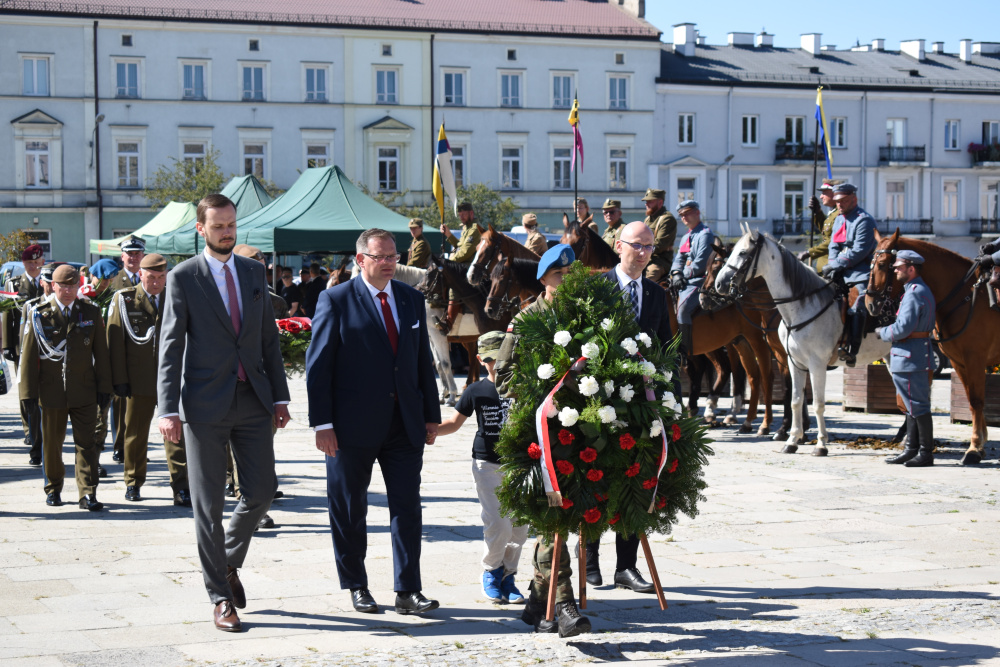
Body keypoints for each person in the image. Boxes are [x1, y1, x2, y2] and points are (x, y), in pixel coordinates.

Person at [157, 193, 291, 632]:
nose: (226, 232)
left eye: (231, 224)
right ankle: (220, 598)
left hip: (253, 399)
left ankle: (226, 561)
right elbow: (171, 346)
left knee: (262, 491)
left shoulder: (253, 270)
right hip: (204, 405)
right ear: (201, 229)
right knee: (208, 505)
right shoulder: (183, 277)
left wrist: (280, 396)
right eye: (217, 226)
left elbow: (267, 338)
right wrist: (167, 408)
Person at [306, 228, 442, 616]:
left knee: (408, 507)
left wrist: (430, 415)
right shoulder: (335, 299)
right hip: (350, 428)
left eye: (393, 256)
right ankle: (357, 584)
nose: (388, 263)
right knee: (350, 507)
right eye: (380, 257)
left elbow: (421, 364)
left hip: (404, 424)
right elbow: (318, 368)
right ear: (361, 259)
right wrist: (323, 424)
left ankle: (408, 589)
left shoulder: (411, 299)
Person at [495, 244, 591, 638]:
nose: (564, 282)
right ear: (543, 280)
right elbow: (502, 376)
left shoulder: (586, 319)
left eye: (570, 276)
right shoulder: (525, 319)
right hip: (538, 434)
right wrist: (544, 387)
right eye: (558, 276)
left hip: (581, 430)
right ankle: (564, 605)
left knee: (565, 516)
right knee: (551, 516)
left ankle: (538, 601)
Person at [581, 221, 676, 593]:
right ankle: (589, 560)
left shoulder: (655, 293)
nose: (644, 253)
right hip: (598, 400)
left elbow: (667, 346)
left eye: (650, 247)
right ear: (619, 246)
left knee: (636, 480)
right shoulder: (597, 287)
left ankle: (626, 565)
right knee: (592, 476)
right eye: (638, 245)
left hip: (642, 404)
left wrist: (668, 389)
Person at [436, 330, 528, 605]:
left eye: (503, 359)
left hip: (521, 464)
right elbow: (453, 424)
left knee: (519, 527)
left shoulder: (525, 388)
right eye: (491, 360)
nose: (498, 365)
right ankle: (491, 571)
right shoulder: (476, 390)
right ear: (480, 359)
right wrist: (427, 431)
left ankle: (508, 577)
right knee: (498, 524)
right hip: (487, 464)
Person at [19, 264, 112, 511]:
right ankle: (53, 488)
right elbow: (28, 356)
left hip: (84, 390)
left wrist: (105, 387)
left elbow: (101, 353)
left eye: (73, 286)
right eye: (63, 286)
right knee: (52, 444)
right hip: (51, 392)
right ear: (54, 286)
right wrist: (27, 394)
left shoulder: (90, 313)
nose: (69, 291)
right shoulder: (39, 313)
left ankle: (88, 493)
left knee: (87, 444)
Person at [106, 253, 190, 505]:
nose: (156, 282)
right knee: (134, 435)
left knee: (176, 435)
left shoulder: (176, 297)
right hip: (137, 382)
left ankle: (181, 486)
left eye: (161, 277)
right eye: (151, 277)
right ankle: (133, 482)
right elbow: (115, 343)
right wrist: (119, 380)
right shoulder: (125, 300)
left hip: (171, 382)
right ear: (140, 274)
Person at [876, 250, 937, 467]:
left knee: (918, 406)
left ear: (911, 269)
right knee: (912, 405)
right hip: (914, 354)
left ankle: (925, 453)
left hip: (910, 355)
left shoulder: (914, 293)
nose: (894, 269)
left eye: (899, 267)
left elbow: (903, 328)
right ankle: (911, 450)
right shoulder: (917, 290)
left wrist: (881, 332)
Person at [821, 183, 877, 367]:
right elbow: (833, 246)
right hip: (838, 272)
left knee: (858, 306)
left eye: (843, 201)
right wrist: (831, 264)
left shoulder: (864, 220)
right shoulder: (839, 219)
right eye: (837, 202)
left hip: (859, 274)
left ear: (854, 199)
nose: (839, 205)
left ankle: (853, 349)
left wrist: (836, 264)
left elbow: (859, 251)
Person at [18, 262, 61, 466]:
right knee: (35, 412)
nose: (51, 286)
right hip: (38, 366)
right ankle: (37, 449)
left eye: (55, 281)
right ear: (42, 282)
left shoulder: (69, 304)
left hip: (61, 367)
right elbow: (24, 340)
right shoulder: (32, 306)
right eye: (48, 281)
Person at [4, 243, 45, 454]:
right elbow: (8, 315)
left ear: (43, 263)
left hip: (47, 345)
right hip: (22, 345)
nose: (35, 268)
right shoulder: (14, 285)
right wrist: (7, 345)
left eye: (38, 264)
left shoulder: (48, 283)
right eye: (31, 264)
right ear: (24, 264)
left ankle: (42, 427)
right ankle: (29, 430)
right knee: (25, 389)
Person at [669, 201, 716, 356]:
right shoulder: (686, 236)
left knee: (682, 309)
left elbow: (701, 263)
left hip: (699, 281)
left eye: (687, 213)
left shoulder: (706, 234)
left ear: (697, 213)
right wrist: (675, 273)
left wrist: (683, 275)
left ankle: (684, 351)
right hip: (683, 280)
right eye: (681, 215)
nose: (684, 217)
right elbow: (679, 259)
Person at [436, 201, 481, 333]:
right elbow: (459, 246)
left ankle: (449, 322)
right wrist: (449, 235)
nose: (461, 217)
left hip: (470, 267)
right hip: (462, 264)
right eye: (460, 215)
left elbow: (465, 253)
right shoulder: (466, 228)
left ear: (471, 213)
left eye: (464, 214)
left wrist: (447, 262)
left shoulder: (475, 229)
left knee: (454, 285)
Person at [797, 179, 843, 271]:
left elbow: (833, 241)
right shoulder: (833, 212)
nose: (821, 196)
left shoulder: (840, 214)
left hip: (833, 267)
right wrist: (817, 212)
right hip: (824, 266)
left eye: (824, 192)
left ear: (834, 193)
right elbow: (826, 230)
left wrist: (809, 252)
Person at [235, 245, 289, 318]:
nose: (259, 271)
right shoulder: (227, 299)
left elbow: (284, 326)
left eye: (262, 267)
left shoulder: (276, 301)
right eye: (254, 267)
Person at [641, 188, 677, 284]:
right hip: (644, 259)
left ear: (660, 202)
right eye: (646, 201)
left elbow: (660, 245)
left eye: (650, 201)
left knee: (650, 276)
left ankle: (646, 298)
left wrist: (641, 250)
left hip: (659, 261)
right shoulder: (647, 220)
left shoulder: (667, 219)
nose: (646, 204)